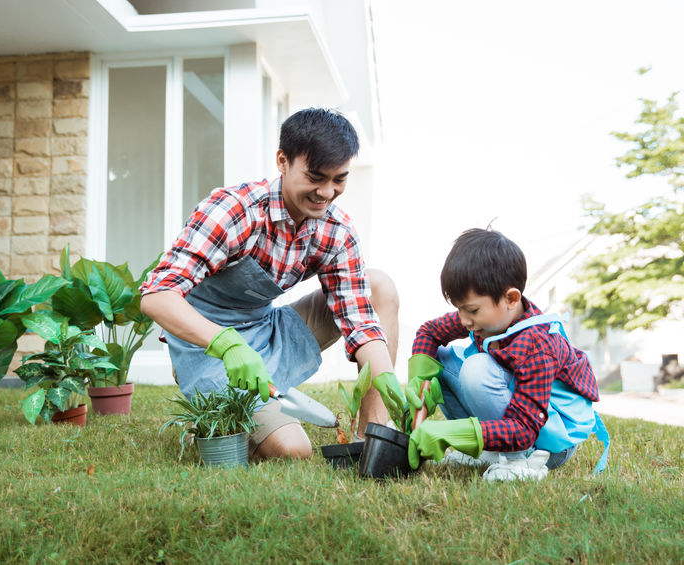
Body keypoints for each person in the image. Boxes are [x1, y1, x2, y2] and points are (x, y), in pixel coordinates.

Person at [140, 108, 404, 460]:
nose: (327, 192)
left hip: (266, 329)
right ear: (283, 161)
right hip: (207, 347)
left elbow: (360, 320)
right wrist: (227, 344)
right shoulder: (235, 210)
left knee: (379, 286)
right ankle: (213, 419)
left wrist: (386, 380)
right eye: (315, 177)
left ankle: (370, 442)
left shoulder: (335, 230)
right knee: (292, 450)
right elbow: (156, 296)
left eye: (339, 179)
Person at [404, 228, 609, 481]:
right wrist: (418, 380)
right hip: (514, 422)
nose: (464, 321)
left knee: (477, 370)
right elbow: (429, 332)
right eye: (459, 310)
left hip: (545, 444)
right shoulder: (485, 317)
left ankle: (519, 462)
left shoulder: (538, 345)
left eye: (472, 310)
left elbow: (524, 428)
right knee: (441, 360)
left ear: (511, 298)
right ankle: (493, 451)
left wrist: (452, 433)